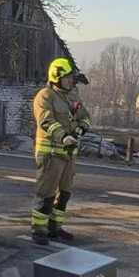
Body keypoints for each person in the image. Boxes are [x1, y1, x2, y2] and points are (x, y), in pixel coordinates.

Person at [30, 58, 91, 245]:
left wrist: (81, 128)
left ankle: (54, 227)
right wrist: (63, 136)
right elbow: (46, 121)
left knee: (64, 193)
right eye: (66, 77)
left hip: (69, 155)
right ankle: (38, 230)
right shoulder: (45, 96)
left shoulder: (72, 97)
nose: (70, 80)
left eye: (70, 77)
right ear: (56, 77)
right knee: (46, 192)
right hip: (52, 154)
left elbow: (86, 117)